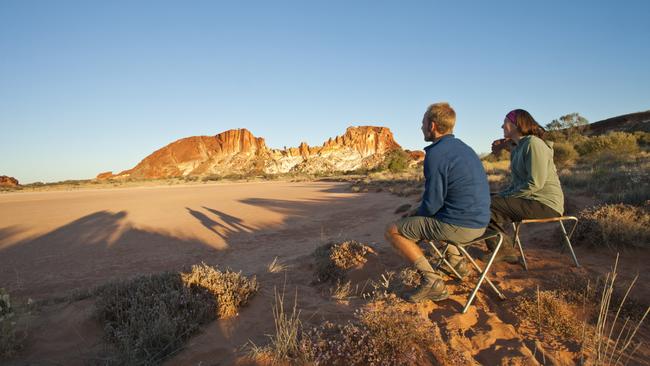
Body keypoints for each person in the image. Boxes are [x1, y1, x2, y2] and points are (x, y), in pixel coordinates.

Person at [385, 102, 491, 302]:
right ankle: (456, 261)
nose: (421, 127)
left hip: (462, 227)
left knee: (393, 230)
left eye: (423, 123)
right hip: (480, 224)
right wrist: (418, 213)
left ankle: (432, 281)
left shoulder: (436, 154)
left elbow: (432, 203)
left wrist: (414, 215)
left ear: (432, 125)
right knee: (431, 218)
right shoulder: (464, 148)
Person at [484, 109, 565, 262]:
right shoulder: (517, 148)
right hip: (530, 200)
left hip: (545, 204)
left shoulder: (534, 144)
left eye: (505, 122)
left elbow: (535, 183)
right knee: (479, 200)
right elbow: (517, 184)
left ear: (516, 124)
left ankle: (503, 249)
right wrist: (503, 194)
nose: (502, 126)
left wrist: (505, 197)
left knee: (484, 205)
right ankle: (503, 247)